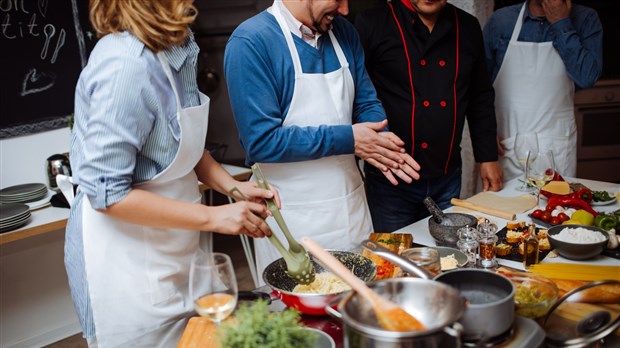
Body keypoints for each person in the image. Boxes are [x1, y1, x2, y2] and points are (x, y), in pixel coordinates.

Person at [64, 1, 279, 346]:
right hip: (127, 266)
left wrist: (233, 188)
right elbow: (107, 193)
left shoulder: (174, 45)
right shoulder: (124, 65)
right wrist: (213, 217)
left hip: (174, 251)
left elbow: (183, 147)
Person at [224, 0, 421, 279]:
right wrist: (350, 139)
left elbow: (366, 103)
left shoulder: (345, 33)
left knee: (360, 305)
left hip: (351, 212)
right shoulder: (251, 42)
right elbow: (262, 141)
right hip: (291, 220)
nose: (344, 9)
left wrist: (381, 142)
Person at [354, 0, 503, 232]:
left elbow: (479, 95)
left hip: (447, 176)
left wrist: (488, 157)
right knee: (394, 261)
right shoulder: (372, 23)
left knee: (446, 258)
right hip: (390, 180)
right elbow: (354, 97)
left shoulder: (467, 26)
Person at [483, 0, 603, 180]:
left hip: (556, 152)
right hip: (505, 147)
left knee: (555, 208)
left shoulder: (586, 19)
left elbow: (587, 77)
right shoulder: (501, 21)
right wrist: (484, 134)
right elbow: (478, 87)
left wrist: (561, 24)